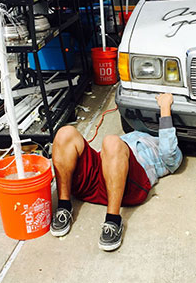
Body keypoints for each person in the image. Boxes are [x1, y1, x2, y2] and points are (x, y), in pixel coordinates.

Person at [50, 92, 183, 251]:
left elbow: (169, 155)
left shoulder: (167, 148)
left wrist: (165, 108)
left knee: (111, 141)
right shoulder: (135, 133)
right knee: (65, 133)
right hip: (100, 178)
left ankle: (113, 221)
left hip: (127, 186)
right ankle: (64, 206)